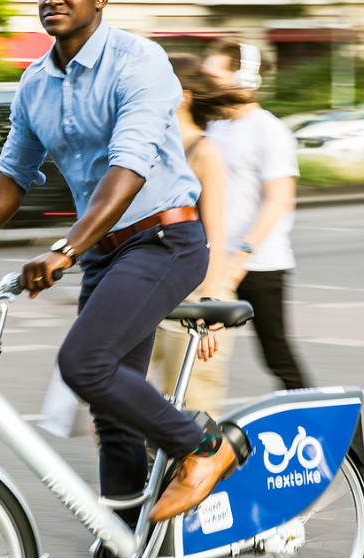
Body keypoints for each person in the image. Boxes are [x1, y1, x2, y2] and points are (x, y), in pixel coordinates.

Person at [0, 0, 240, 558]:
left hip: (164, 239)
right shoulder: (35, 82)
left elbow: (128, 167)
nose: (53, 0)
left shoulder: (139, 62)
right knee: (112, 416)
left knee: (84, 363)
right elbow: (12, 171)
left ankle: (203, 446)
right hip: (105, 251)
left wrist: (64, 249)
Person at [202, 39, 312, 391]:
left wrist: (242, 256)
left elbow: (279, 200)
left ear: (244, 76)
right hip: (216, 259)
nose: (206, 83)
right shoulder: (214, 127)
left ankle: (319, 429)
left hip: (260, 264)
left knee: (275, 354)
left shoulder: (269, 129)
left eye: (212, 75)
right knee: (190, 347)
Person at [146, 54, 251, 417]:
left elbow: (217, 237)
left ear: (182, 96)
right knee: (112, 415)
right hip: (143, 287)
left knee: (192, 416)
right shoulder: (143, 147)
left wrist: (210, 302)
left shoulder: (204, 151)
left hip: (193, 293)